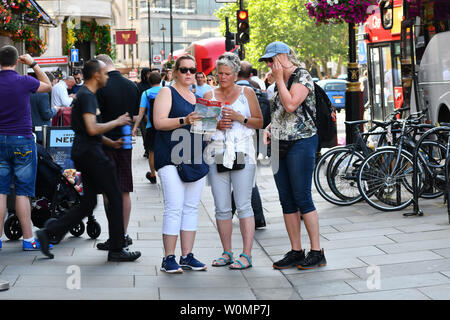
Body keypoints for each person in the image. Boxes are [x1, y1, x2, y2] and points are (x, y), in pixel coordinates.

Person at [36, 59, 141, 262]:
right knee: (116, 196)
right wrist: (117, 122)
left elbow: (88, 131)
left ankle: (49, 232)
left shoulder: (86, 95)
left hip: (85, 152)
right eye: (105, 73)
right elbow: (92, 128)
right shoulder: (87, 96)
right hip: (91, 155)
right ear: (96, 75)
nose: (107, 76)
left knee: (88, 202)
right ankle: (117, 248)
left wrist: (112, 143)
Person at [260, 41, 326, 270]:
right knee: (286, 199)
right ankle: (296, 250)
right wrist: (269, 127)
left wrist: (278, 78)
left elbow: (291, 105)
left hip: (302, 141)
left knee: (302, 197)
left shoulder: (303, 76)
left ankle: (317, 251)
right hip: (279, 143)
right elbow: (279, 112)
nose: (270, 64)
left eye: (272, 59)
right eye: (267, 61)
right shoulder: (275, 82)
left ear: (284, 56)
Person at [204, 52, 263, 270]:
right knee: (221, 207)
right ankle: (226, 252)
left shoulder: (247, 92)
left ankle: (246, 255)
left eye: (227, 73)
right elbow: (199, 128)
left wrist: (240, 118)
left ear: (236, 73)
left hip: (243, 153)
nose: (223, 77)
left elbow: (259, 122)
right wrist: (216, 126)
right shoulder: (209, 94)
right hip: (216, 154)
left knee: (244, 205)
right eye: (219, 73)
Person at [153, 55, 208, 274]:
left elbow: (200, 130)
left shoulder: (196, 97)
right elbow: (159, 122)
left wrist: (212, 126)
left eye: (192, 70)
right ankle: (169, 258)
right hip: (170, 156)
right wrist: (185, 120)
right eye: (184, 69)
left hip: (194, 155)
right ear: (175, 72)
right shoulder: (167, 92)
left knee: (191, 208)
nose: (188, 73)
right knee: (174, 207)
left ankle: (187, 255)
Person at [0, 45, 52, 251]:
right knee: (22, 192)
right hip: (22, 139)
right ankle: (29, 240)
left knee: (1, 192)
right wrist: (33, 63)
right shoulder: (24, 81)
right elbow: (48, 85)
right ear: (16, 62)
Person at [94, 54, 140, 251]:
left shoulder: (100, 85)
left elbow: (95, 119)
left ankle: (115, 236)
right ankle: (123, 234)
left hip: (106, 142)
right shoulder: (131, 86)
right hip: (126, 141)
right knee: (124, 190)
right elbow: (136, 115)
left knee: (107, 192)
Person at [235, 60, 268, 229]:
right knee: (246, 176)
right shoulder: (258, 89)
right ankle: (255, 215)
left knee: (239, 177)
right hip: (255, 137)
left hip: (235, 140)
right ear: (250, 74)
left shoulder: (230, 90)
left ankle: (258, 216)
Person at [133, 71, 162, 184]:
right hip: (165, 125)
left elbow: (141, 114)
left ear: (149, 81)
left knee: (152, 152)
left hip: (151, 126)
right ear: (160, 80)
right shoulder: (167, 91)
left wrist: (135, 127)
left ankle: (153, 174)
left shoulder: (145, 93)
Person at [30, 73, 60, 144]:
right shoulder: (43, 94)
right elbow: (46, 115)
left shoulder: (29, 92)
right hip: (41, 133)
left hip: (30, 131)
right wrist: (55, 109)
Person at [137, 68, 152, 158]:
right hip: (143, 114)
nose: (149, 75)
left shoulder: (152, 85)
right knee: (144, 132)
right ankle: (147, 149)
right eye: (148, 74)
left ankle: (151, 149)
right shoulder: (139, 86)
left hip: (153, 113)